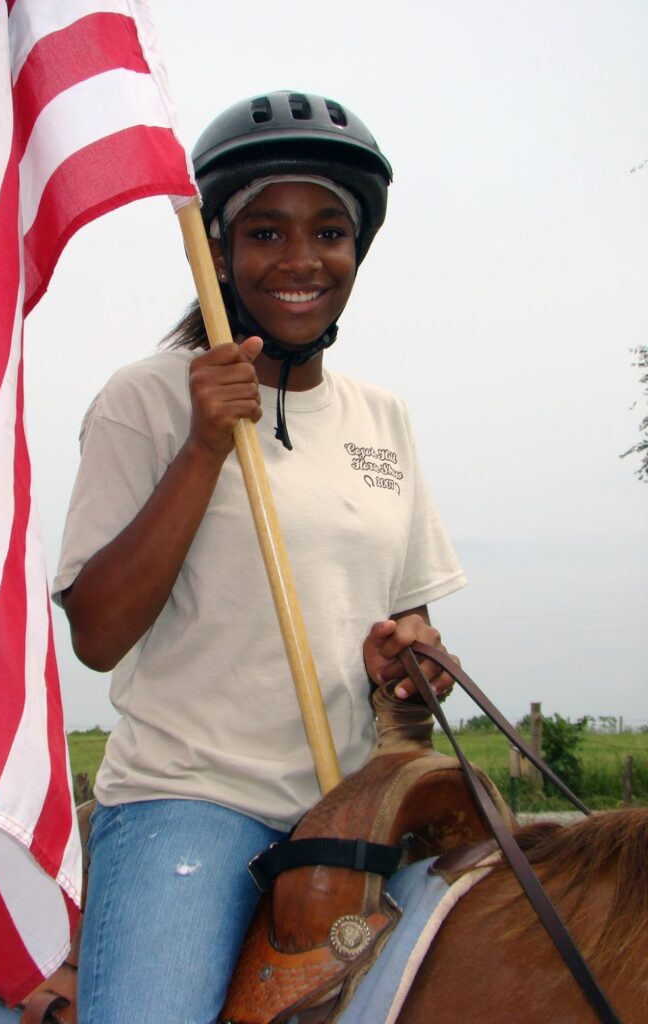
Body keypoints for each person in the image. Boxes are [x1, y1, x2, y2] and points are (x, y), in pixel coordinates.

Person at [52, 90, 467, 1023]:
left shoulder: (383, 418)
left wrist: (409, 657)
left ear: (357, 253)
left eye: (329, 232)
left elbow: (409, 615)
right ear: (224, 255)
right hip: (190, 803)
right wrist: (204, 444)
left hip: (357, 805)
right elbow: (99, 633)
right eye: (267, 233)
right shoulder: (146, 400)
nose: (301, 260)